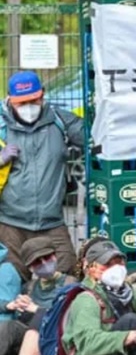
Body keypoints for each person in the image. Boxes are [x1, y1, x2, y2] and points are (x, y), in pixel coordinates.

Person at [0, 71, 83, 281]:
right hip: (10, 224)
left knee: (68, 281)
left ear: (43, 95)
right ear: (9, 99)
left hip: (52, 221)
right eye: (22, 102)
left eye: (33, 100)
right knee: (9, 284)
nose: (29, 106)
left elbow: (94, 138)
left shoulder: (60, 120)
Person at [0, 237, 78, 355]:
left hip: (57, 341)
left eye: (47, 258)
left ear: (55, 256)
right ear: (30, 268)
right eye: (37, 262)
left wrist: (36, 309)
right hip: (30, 343)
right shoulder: (30, 287)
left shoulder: (70, 283)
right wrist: (14, 304)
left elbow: (65, 317)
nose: (43, 263)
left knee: (42, 317)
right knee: (9, 326)